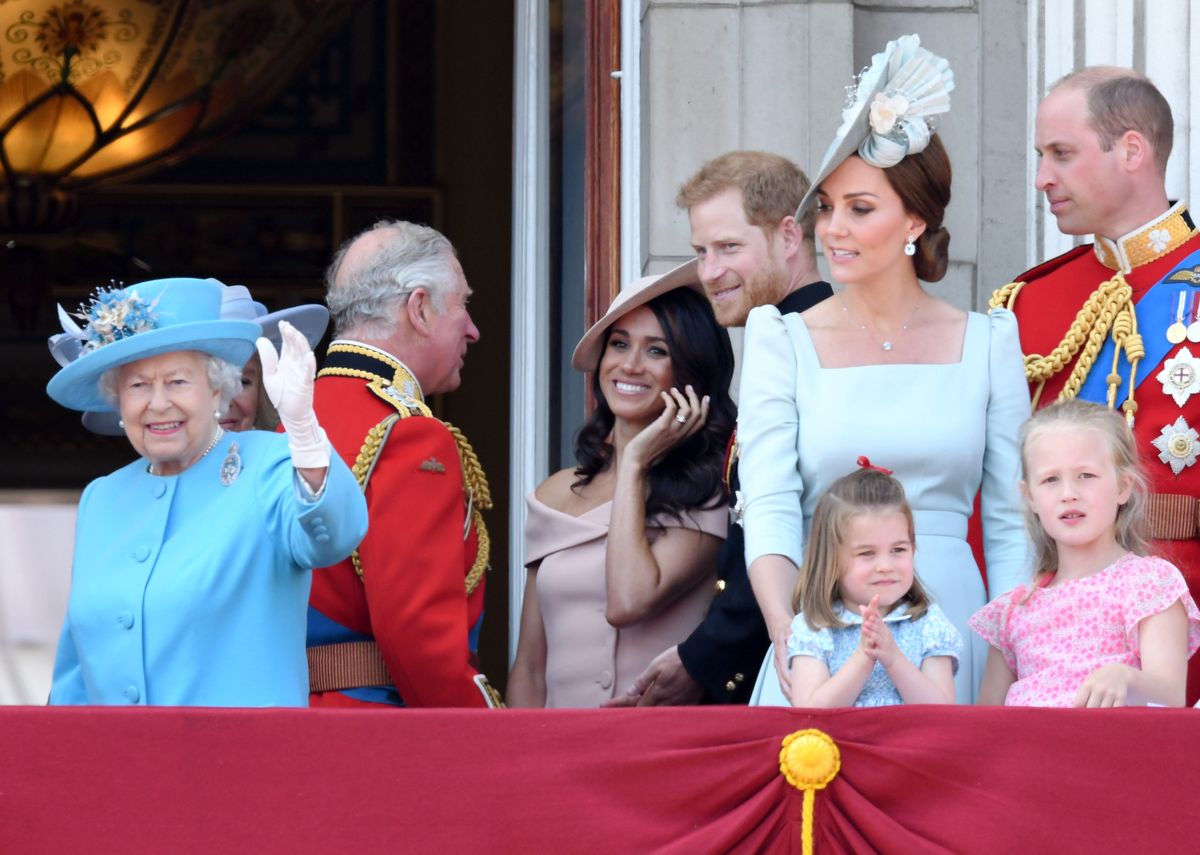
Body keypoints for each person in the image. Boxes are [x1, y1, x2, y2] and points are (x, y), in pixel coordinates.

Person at [738, 34, 1029, 705]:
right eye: (828, 207)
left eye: (860, 208)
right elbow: (773, 507)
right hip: (819, 639)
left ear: (915, 220)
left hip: (957, 636)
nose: (833, 228)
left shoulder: (989, 341)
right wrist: (787, 630)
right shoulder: (780, 338)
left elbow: (1014, 523)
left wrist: (1005, 663)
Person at [44, 277, 368, 706]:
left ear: (217, 388)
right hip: (119, 768)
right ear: (118, 401)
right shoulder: (103, 498)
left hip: (239, 765)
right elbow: (77, 669)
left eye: (177, 381)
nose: (157, 404)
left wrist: (305, 432)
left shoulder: (269, 466)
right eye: (138, 385)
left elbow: (335, 535)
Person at [989, 66, 1200, 704]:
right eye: (1040, 156)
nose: (1041, 178)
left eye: (1062, 154)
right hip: (1051, 633)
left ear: (1132, 151)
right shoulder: (1031, 303)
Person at [609, 151, 835, 707]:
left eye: (729, 248)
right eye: (700, 252)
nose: (708, 273)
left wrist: (704, 658)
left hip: (813, 673)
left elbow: (802, 532)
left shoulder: (824, 343)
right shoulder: (778, 333)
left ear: (789, 236)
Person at [507, 264, 736, 707]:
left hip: (658, 752)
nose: (629, 365)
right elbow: (530, 666)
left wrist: (633, 464)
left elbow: (628, 602)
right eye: (619, 344)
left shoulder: (710, 491)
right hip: (558, 751)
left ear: (691, 370)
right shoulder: (554, 494)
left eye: (657, 351)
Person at [306, 220, 500, 708]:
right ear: (419, 308)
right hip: (373, 730)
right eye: (462, 304)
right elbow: (420, 640)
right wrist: (481, 735)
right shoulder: (409, 436)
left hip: (290, 719)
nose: (473, 329)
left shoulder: (290, 421)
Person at [970, 400, 1200, 707]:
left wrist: (1127, 678)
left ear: (1123, 486)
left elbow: (1171, 695)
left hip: (1112, 751)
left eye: (1086, 476)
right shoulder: (1011, 610)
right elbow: (986, 722)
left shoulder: (1150, 584)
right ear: (1031, 498)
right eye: (1051, 479)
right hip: (1026, 753)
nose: (1068, 494)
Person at [49, 282, 330, 436]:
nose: (224, 398)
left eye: (243, 381)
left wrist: (304, 436)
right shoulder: (107, 497)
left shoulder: (282, 477)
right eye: (180, 382)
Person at [787, 463, 961, 708]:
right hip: (841, 745)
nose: (885, 565)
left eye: (898, 550)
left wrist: (893, 659)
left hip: (910, 745)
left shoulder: (928, 624)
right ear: (831, 560)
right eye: (867, 553)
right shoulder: (815, 627)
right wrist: (863, 657)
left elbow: (943, 711)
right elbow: (810, 712)